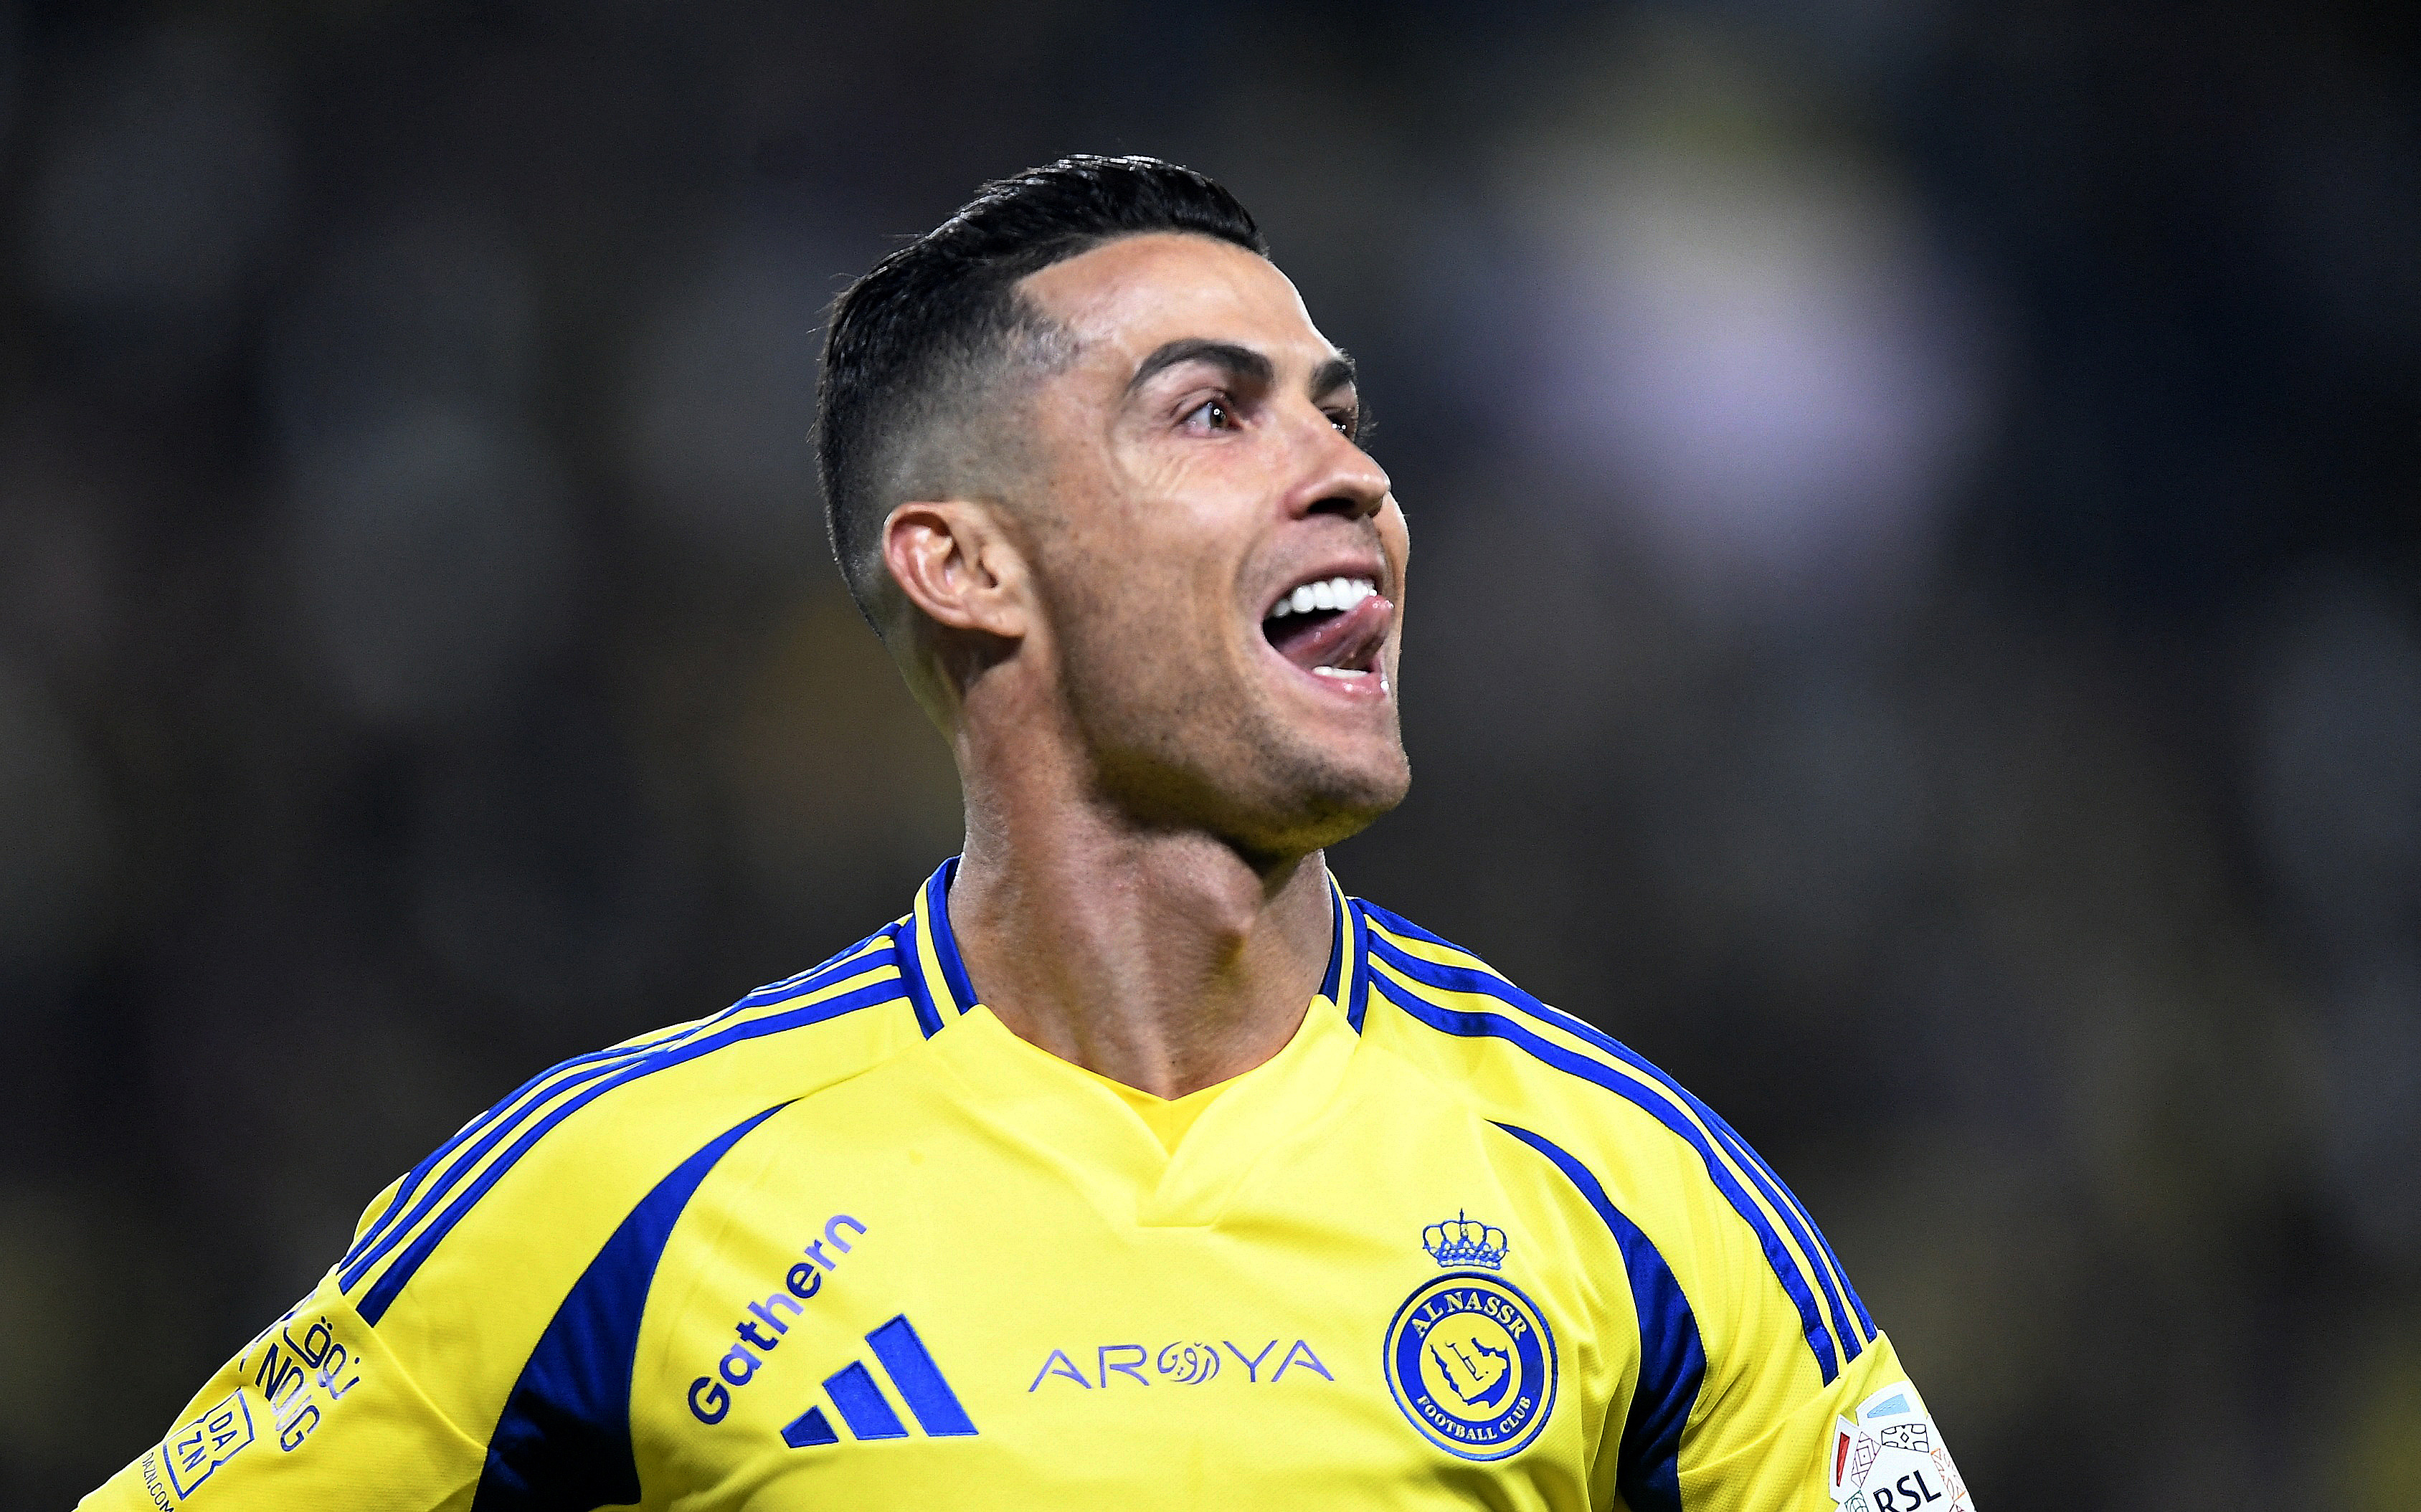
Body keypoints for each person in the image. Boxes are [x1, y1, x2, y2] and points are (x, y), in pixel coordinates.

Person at [83, 155, 1971, 1511]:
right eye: (1214, 415)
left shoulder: (1632, 1192)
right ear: (969, 564)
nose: (1353, 476)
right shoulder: (620, 1201)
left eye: (1341, 416)